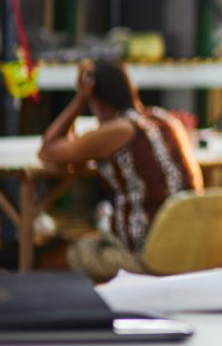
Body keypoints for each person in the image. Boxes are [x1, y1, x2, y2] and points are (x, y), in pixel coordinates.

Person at [39, 60, 203, 280]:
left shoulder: (119, 129)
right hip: (192, 246)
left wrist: (79, 99)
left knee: (48, 264)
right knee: (88, 239)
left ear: (97, 101)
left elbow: (48, 150)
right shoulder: (166, 120)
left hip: (147, 251)